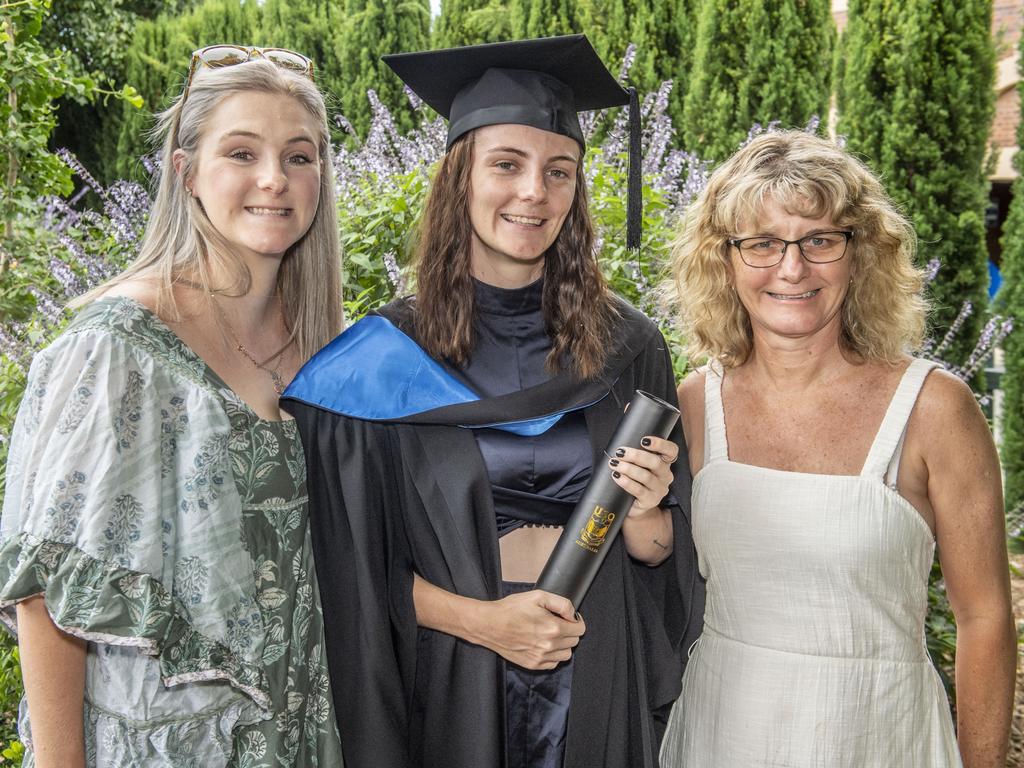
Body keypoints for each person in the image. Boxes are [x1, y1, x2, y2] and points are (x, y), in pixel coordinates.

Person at [283, 35, 704, 768]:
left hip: (597, 663)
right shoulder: (381, 362)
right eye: (506, 164)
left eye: (559, 171)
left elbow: (661, 556)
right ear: (461, 177)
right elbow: (348, 573)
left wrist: (647, 513)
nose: (534, 192)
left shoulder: (629, 348)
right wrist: (484, 623)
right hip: (454, 674)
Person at [0, 46, 345, 767]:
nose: (274, 179)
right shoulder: (119, 349)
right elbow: (48, 596)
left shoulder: (324, 347)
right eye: (241, 152)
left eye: (300, 156)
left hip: (298, 737)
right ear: (186, 173)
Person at [659, 130, 1016, 767]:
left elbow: (984, 618)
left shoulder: (934, 409)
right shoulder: (693, 406)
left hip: (878, 735)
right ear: (724, 260)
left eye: (819, 240)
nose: (791, 269)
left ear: (861, 254)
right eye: (762, 244)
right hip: (723, 732)